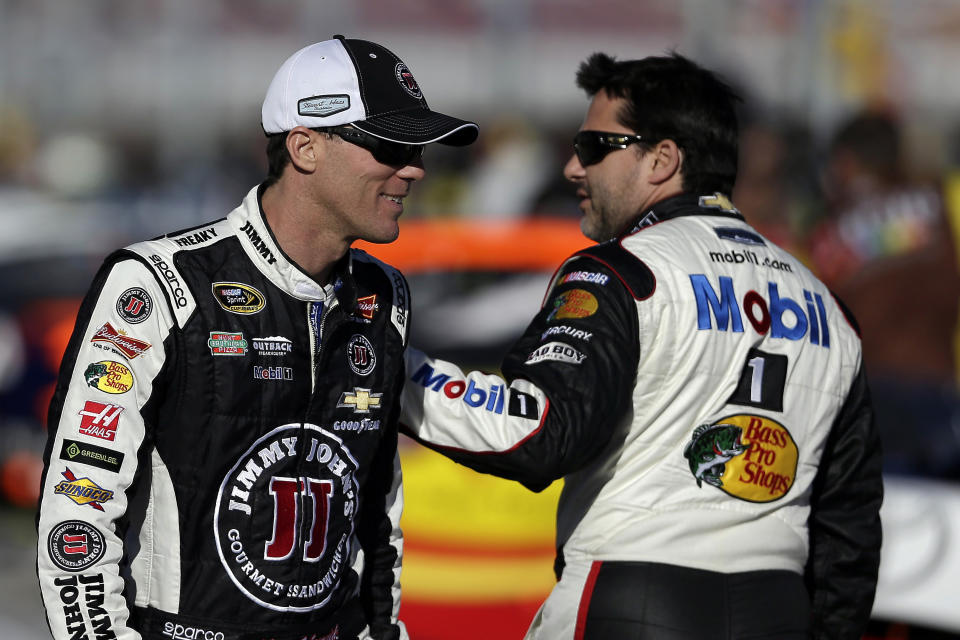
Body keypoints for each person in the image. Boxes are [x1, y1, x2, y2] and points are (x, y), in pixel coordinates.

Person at [400, 53, 882, 639]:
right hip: (777, 609)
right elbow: (848, 532)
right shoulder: (829, 309)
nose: (574, 168)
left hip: (632, 595)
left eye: (596, 146)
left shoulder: (621, 273)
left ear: (663, 159)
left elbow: (538, 432)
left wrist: (392, 371)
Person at [35, 35, 477, 640]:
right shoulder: (160, 283)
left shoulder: (384, 296)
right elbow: (79, 506)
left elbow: (376, 507)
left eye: (418, 149)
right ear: (305, 147)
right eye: (388, 146)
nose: (414, 168)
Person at [808, 110, 960, 477]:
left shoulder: (832, 229)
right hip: (936, 385)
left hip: (870, 393)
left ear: (845, 162)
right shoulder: (940, 201)